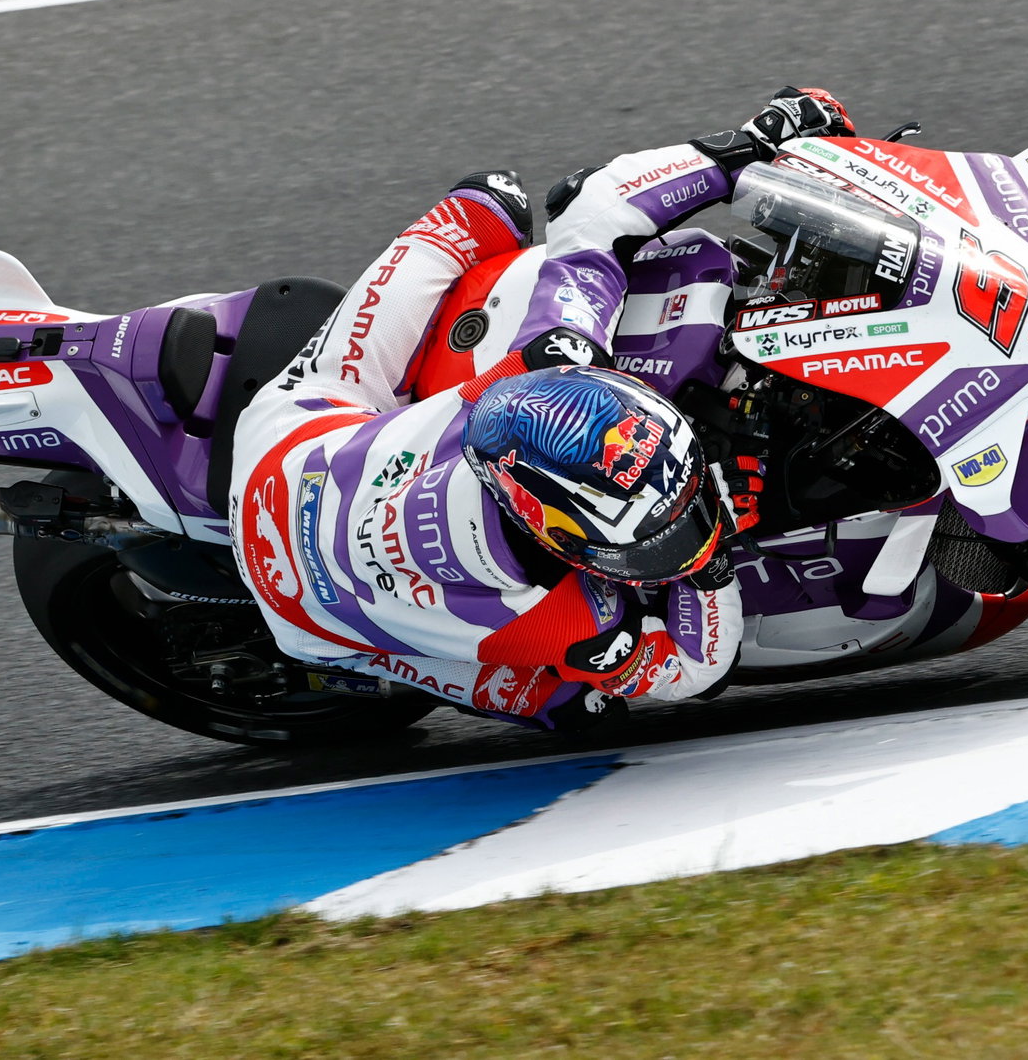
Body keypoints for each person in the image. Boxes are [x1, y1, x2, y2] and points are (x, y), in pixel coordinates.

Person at [227, 88, 855, 730]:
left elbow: (597, 206)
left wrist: (744, 149)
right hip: (308, 608)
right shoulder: (572, 619)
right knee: (586, 707)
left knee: (488, 202)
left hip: (292, 451)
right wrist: (713, 559)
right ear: (553, 536)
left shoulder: (552, 355)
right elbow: (697, 668)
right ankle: (352, 658)